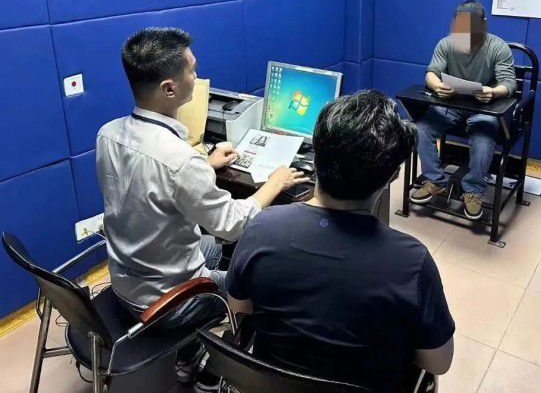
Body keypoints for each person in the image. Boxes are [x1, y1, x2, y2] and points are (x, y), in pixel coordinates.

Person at [96, 27, 307, 392]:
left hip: (127, 281)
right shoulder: (178, 160)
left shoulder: (108, 134)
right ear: (169, 88)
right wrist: (274, 183)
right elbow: (233, 224)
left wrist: (205, 165)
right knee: (262, 286)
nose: (197, 76)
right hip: (167, 304)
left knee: (211, 248)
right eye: (192, 70)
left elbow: (146, 184)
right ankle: (215, 370)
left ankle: (189, 352)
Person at [224, 90, 455, 393]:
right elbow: (438, 362)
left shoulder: (261, 228)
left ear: (316, 156)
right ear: (392, 177)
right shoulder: (412, 262)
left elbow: (239, 306)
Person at [410, 0, 516, 219]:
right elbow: (431, 72)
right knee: (420, 129)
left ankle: (473, 190)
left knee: (483, 141)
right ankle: (435, 180)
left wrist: (493, 91)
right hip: (451, 104)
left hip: (483, 107)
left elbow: (509, 83)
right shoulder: (446, 44)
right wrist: (437, 86)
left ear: (483, 24)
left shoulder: (498, 47)